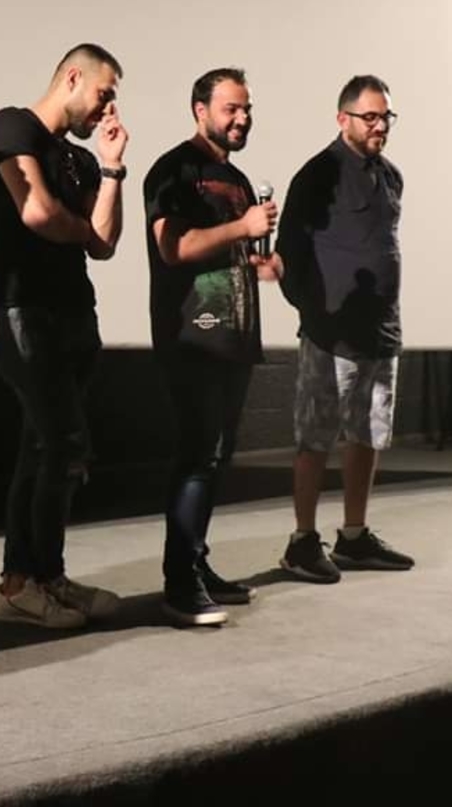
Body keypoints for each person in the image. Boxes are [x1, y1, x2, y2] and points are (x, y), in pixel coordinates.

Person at [0, 43, 129, 629]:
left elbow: (106, 241)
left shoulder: (81, 160)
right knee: (62, 444)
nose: (108, 108)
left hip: (74, 315)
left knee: (45, 447)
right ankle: (19, 584)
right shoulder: (11, 127)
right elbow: (36, 212)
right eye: (104, 93)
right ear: (72, 78)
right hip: (24, 314)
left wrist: (111, 167)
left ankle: (43, 577)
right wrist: (81, 229)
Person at [144, 67, 282, 625]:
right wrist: (242, 228)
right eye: (231, 108)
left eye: (247, 108)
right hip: (192, 338)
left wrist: (263, 261)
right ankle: (179, 585)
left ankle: (196, 564)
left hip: (235, 336)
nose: (242, 118)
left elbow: (232, 249)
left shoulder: (241, 180)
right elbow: (174, 248)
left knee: (217, 457)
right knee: (196, 457)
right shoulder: (172, 171)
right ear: (200, 109)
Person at [275, 75, 415, 583]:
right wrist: (314, 316)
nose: (380, 126)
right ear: (343, 119)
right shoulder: (317, 175)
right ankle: (302, 542)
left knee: (367, 433)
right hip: (330, 335)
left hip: (381, 332)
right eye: (370, 117)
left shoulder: (391, 176)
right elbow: (289, 253)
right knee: (315, 437)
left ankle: (353, 536)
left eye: (386, 118)